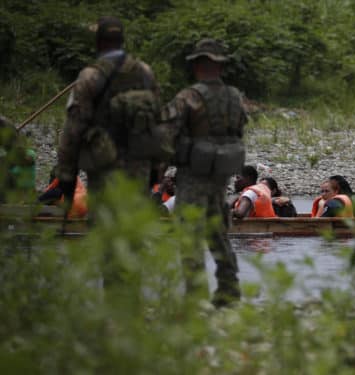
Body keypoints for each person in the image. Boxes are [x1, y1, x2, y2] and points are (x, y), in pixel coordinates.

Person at [162, 38, 248, 308]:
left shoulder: (188, 97)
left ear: (199, 64)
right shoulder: (235, 97)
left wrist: (157, 173)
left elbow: (167, 138)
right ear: (220, 66)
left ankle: (195, 293)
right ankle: (228, 289)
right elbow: (238, 132)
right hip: (220, 177)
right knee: (219, 232)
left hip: (192, 177)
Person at [56, 16, 166, 206]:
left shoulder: (90, 76)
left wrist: (67, 175)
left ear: (98, 42)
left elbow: (73, 130)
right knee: (134, 227)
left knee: (105, 226)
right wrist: (156, 169)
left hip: (104, 168)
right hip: (139, 167)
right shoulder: (145, 72)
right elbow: (158, 123)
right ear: (122, 41)